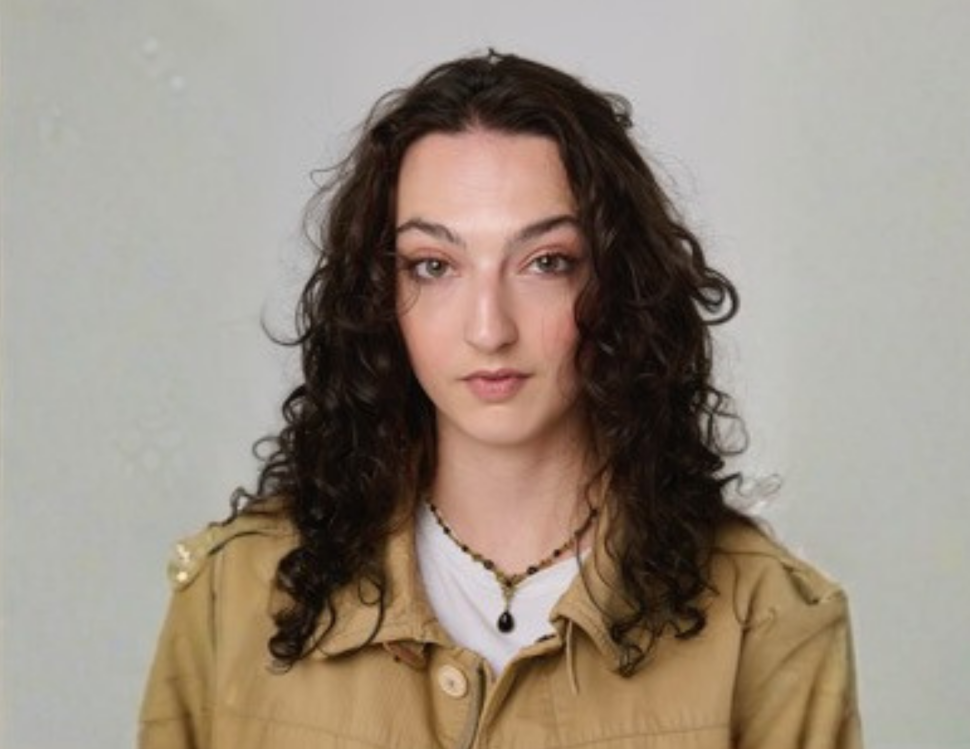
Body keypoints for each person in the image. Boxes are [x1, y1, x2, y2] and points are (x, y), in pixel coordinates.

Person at [139, 51, 862, 748]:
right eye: (435, 265)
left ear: (616, 283)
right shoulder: (228, 595)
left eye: (546, 263)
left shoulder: (766, 618)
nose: (489, 328)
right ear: (379, 293)